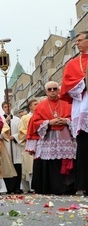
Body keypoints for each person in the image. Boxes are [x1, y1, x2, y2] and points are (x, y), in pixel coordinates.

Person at [26, 81, 76, 195]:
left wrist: (66, 121)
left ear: (59, 90)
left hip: (64, 137)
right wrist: (49, 122)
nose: (52, 91)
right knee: (50, 163)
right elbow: (35, 122)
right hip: (48, 138)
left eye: (55, 89)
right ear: (46, 92)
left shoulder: (67, 104)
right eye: (50, 89)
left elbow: (74, 118)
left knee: (64, 160)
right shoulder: (40, 106)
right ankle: (51, 187)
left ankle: (66, 188)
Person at [60, 31, 88, 196]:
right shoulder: (72, 63)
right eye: (76, 41)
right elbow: (67, 85)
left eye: (80, 40)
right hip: (83, 104)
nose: (77, 43)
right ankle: (85, 184)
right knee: (84, 145)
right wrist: (83, 83)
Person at [0, 101, 22, 194]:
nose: (7, 108)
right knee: (7, 166)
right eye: (5, 107)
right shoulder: (1, 120)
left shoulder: (17, 120)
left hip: (15, 144)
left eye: (8, 106)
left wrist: (15, 136)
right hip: (5, 145)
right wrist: (6, 121)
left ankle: (17, 187)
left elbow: (22, 131)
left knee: (17, 165)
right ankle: (9, 187)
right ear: (3, 108)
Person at [18, 99, 38, 193]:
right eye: (35, 104)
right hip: (30, 142)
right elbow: (22, 130)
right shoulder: (25, 118)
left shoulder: (40, 115)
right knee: (30, 167)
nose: (37, 105)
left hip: (41, 143)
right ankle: (32, 186)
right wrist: (32, 134)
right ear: (30, 107)